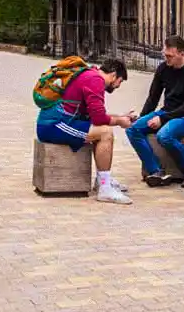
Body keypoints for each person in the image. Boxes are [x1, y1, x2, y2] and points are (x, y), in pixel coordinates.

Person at [34, 57, 133, 204]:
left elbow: (95, 115)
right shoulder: (95, 80)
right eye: (120, 81)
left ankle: (102, 181)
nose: (118, 86)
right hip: (55, 125)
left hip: (58, 122)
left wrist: (120, 117)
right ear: (113, 75)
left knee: (102, 131)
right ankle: (105, 189)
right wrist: (119, 122)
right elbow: (99, 119)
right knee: (105, 133)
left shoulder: (90, 74)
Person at [126, 36, 184, 187]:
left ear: (182, 53)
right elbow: (153, 97)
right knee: (133, 129)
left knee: (165, 135)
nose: (166, 58)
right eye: (165, 54)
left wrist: (163, 119)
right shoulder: (163, 68)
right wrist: (143, 117)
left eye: (170, 56)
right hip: (167, 112)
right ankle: (156, 170)